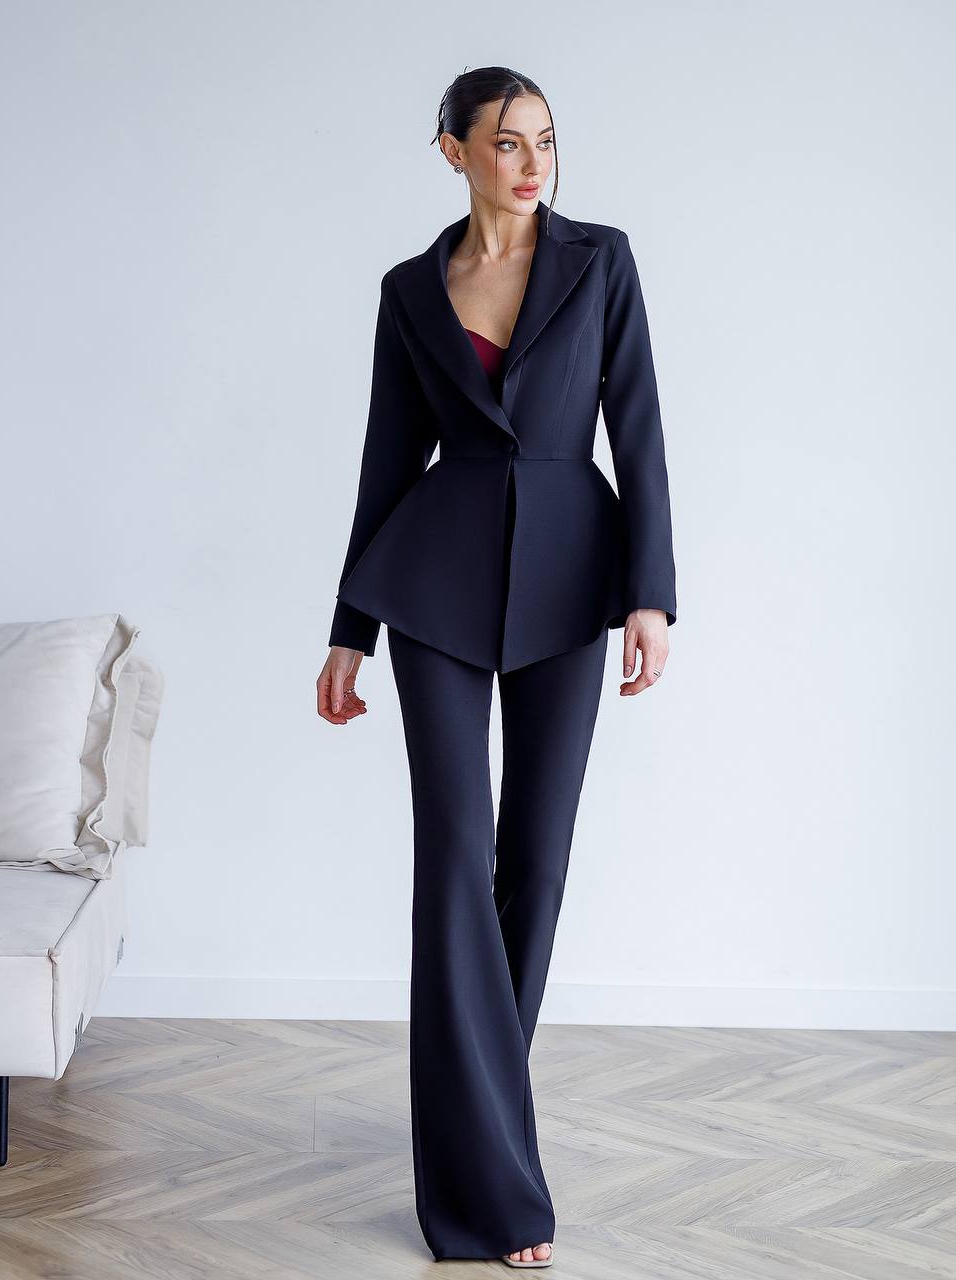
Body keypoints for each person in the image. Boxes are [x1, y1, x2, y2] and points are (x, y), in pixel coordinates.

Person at [316, 66, 676, 1269]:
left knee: (535, 858)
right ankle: (492, 1195)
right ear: (451, 152)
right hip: (434, 585)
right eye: (506, 143)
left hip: (576, 577)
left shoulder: (600, 260)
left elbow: (639, 429)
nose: (532, 163)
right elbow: (382, 460)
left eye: (545, 142)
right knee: (452, 855)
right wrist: (347, 628)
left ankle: (476, 1124)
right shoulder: (410, 291)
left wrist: (651, 594)